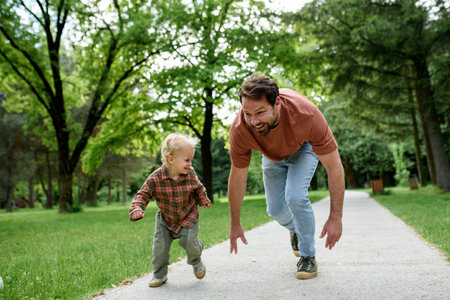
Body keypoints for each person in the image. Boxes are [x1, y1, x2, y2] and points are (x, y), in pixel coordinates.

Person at [227, 75, 344, 279]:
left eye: (260, 112)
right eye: (247, 113)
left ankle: (307, 257)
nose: (253, 121)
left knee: (296, 197)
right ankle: (296, 230)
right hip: (271, 155)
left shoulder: (307, 115)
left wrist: (336, 217)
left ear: (277, 103)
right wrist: (234, 223)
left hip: (303, 148)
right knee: (275, 209)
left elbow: (334, 167)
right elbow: (237, 177)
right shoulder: (240, 129)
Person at [129, 133, 211, 287]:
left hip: (188, 216)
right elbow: (143, 194)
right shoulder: (155, 178)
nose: (190, 163)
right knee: (159, 248)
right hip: (165, 220)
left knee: (189, 242)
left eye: (191, 160)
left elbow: (198, 187)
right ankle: (159, 275)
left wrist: (203, 199)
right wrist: (137, 208)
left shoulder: (190, 173)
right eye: (186, 160)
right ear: (171, 159)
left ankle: (196, 261)